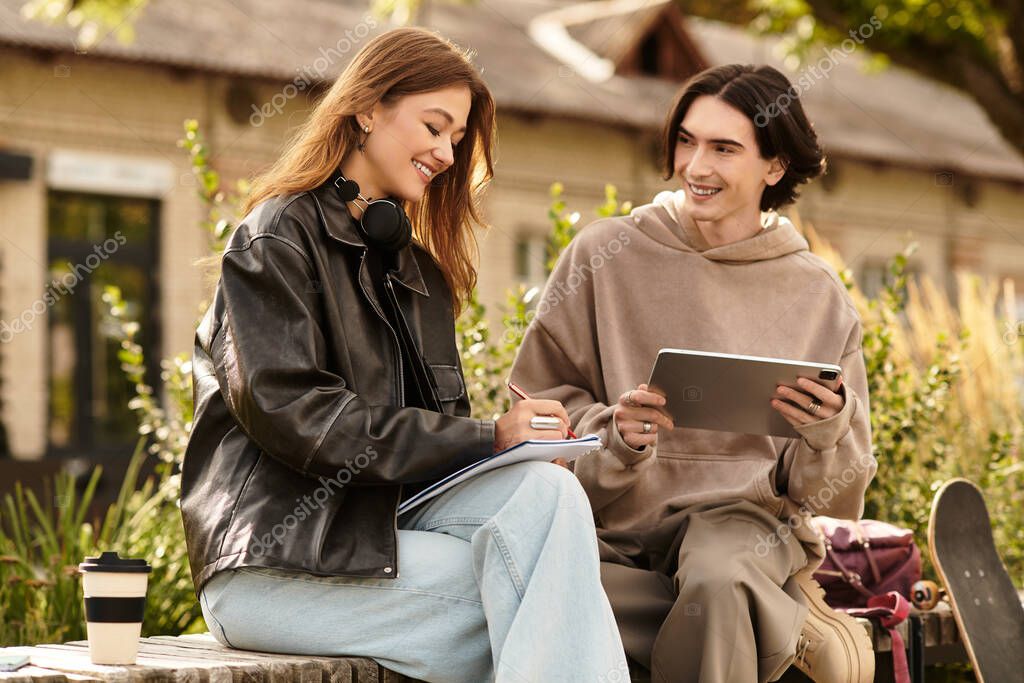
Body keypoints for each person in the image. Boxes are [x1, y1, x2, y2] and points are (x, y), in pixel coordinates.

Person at [181, 27, 627, 683]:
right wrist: (486, 435)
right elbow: (298, 416)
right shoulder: (274, 240)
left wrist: (510, 451)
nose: (447, 152)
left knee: (547, 494)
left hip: (382, 539)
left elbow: (438, 465)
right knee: (541, 601)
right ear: (366, 107)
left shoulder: (419, 272)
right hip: (276, 563)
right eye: (434, 125)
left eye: (457, 138)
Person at [510, 64, 877, 683]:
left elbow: (840, 491)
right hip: (613, 522)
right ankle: (780, 624)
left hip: (743, 526)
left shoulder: (817, 295)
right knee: (524, 587)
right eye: (687, 140)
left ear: (774, 167)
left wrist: (824, 434)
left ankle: (756, 607)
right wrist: (615, 438)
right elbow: (537, 411)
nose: (695, 166)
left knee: (716, 579)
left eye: (723, 149)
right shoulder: (604, 255)